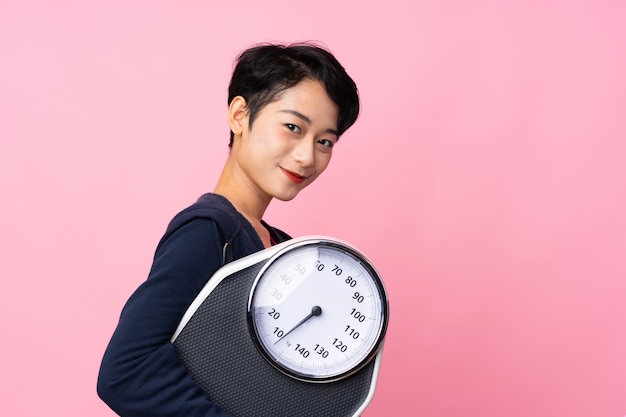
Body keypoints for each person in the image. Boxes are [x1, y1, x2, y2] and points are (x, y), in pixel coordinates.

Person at [97, 42, 360, 417]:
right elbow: (125, 373)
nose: (307, 156)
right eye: (292, 127)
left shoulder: (282, 249)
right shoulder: (208, 231)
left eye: (324, 141)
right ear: (240, 114)